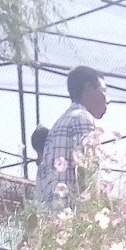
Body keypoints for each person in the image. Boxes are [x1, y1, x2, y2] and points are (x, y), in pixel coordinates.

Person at [36, 65, 108, 209]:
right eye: (104, 91)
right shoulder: (83, 118)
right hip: (72, 212)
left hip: (52, 213)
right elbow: (87, 173)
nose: (108, 99)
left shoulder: (59, 124)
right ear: (89, 88)